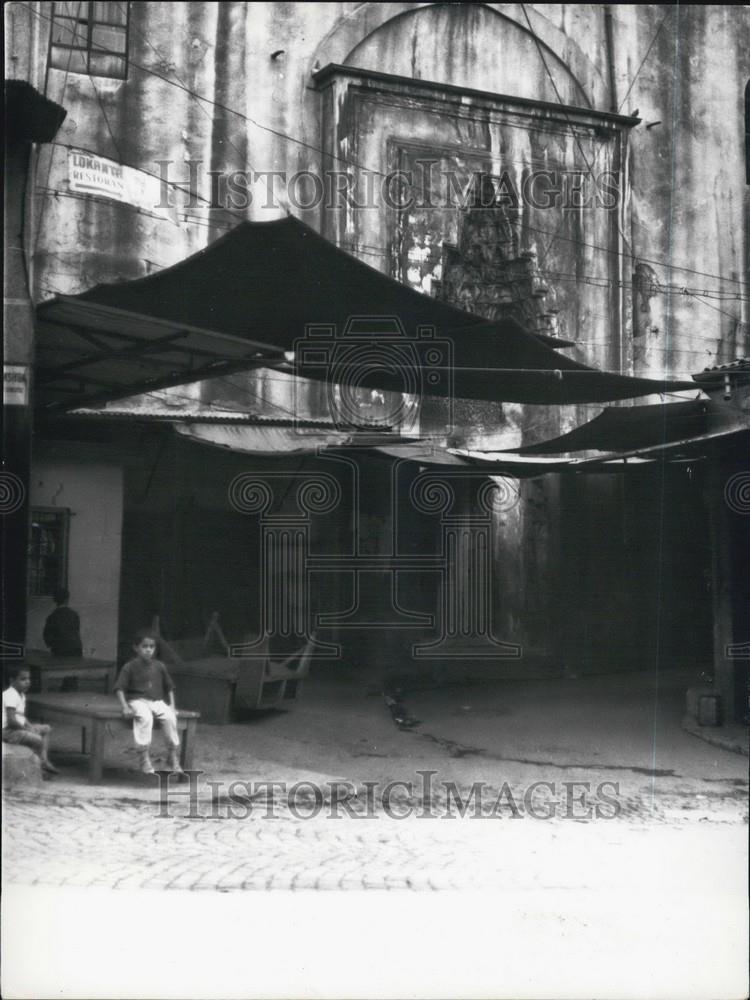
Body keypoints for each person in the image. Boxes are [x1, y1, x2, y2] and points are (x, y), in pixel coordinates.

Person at [114, 629, 183, 776]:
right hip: (138, 700)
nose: (148, 650)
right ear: (136, 648)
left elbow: (169, 687)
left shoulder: (159, 666)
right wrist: (125, 706)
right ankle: (144, 757)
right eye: (144, 646)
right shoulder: (130, 666)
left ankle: (172, 755)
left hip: (156, 701)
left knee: (170, 717)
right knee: (145, 718)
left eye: (151, 647)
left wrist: (172, 706)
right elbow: (120, 688)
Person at [2, 666, 60, 775]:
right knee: (37, 739)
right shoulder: (10, 695)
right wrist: (28, 730)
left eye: (29, 679)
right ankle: (39, 767)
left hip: (16, 728)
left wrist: (30, 726)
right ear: (12, 680)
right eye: (23, 679)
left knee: (46, 728)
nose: (27, 682)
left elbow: (20, 716)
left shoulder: (21, 695)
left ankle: (43, 761)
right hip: (7, 731)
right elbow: (11, 721)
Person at [43, 588, 83, 658]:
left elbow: (47, 636)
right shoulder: (74, 614)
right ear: (67, 599)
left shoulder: (52, 616)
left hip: (60, 650)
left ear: (55, 600)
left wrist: (53, 645)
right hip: (76, 649)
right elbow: (76, 630)